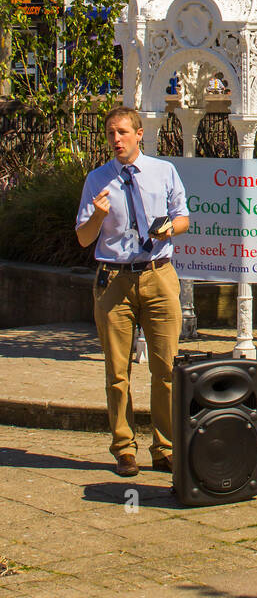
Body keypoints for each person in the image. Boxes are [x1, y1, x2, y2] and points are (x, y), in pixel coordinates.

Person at [75, 106, 190, 478]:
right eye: (110, 133)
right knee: (117, 372)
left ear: (139, 134)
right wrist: (96, 216)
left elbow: (184, 217)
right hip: (114, 280)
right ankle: (124, 448)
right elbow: (83, 238)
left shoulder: (164, 171)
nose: (116, 139)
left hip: (158, 275)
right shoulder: (97, 179)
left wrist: (169, 229)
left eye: (122, 132)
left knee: (166, 368)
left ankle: (165, 448)